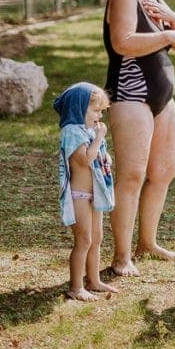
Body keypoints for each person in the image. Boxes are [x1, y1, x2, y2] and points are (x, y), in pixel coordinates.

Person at [104, 0, 175, 276]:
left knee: (163, 172)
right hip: (130, 97)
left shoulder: (155, 0)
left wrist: (173, 18)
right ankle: (121, 257)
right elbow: (122, 42)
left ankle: (148, 243)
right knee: (131, 175)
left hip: (162, 100)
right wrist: (168, 36)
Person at [54, 82, 120, 301]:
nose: (100, 116)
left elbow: (98, 158)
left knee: (97, 238)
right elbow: (84, 160)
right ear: (79, 108)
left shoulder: (88, 130)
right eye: (96, 110)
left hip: (95, 194)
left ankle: (93, 279)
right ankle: (76, 287)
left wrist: (105, 154)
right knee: (83, 240)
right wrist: (100, 138)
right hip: (79, 195)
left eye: (102, 111)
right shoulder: (72, 132)